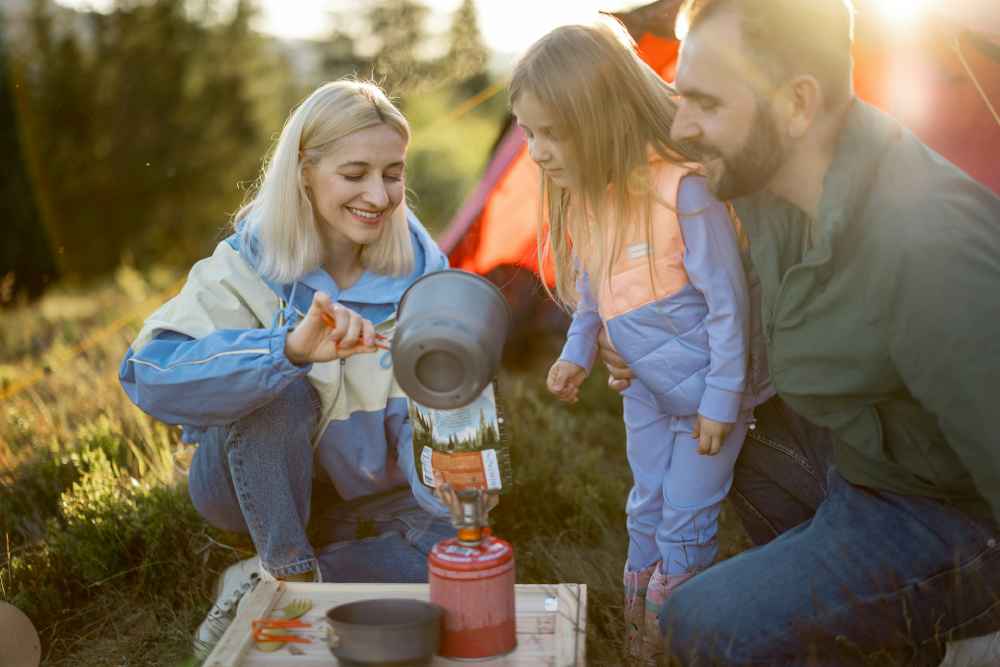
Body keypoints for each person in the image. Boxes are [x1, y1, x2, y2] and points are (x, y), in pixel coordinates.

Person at [597, 0, 1000, 664]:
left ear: (796, 104)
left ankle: (969, 628)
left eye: (704, 103)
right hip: (868, 456)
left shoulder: (929, 249)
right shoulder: (767, 178)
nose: (680, 125)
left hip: (954, 517)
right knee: (712, 418)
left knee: (703, 622)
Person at [118, 80, 454, 657]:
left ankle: (266, 582)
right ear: (303, 171)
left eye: (393, 173)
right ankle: (290, 571)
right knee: (281, 392)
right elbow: (148, 372)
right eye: (355, 174)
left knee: (458, 561)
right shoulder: (248, 263)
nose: (379, 194)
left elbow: (425, 414)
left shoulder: (425, 278)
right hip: (248, 482)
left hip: (368, 495)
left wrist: (442, 471)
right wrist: (286, 353)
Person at [509, 22, 772, 662]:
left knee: (686, 518)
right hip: (648, 394)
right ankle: (640, 640)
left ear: (601, 117)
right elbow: (596, 290)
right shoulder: (591, 203)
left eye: (552, 132)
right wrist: (576, 353)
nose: (537, 151)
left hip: (710, 398)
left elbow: (728, 302)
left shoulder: (683, 191)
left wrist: (721, 397)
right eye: (527, 133)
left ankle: (680, 635)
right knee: (645, 509)